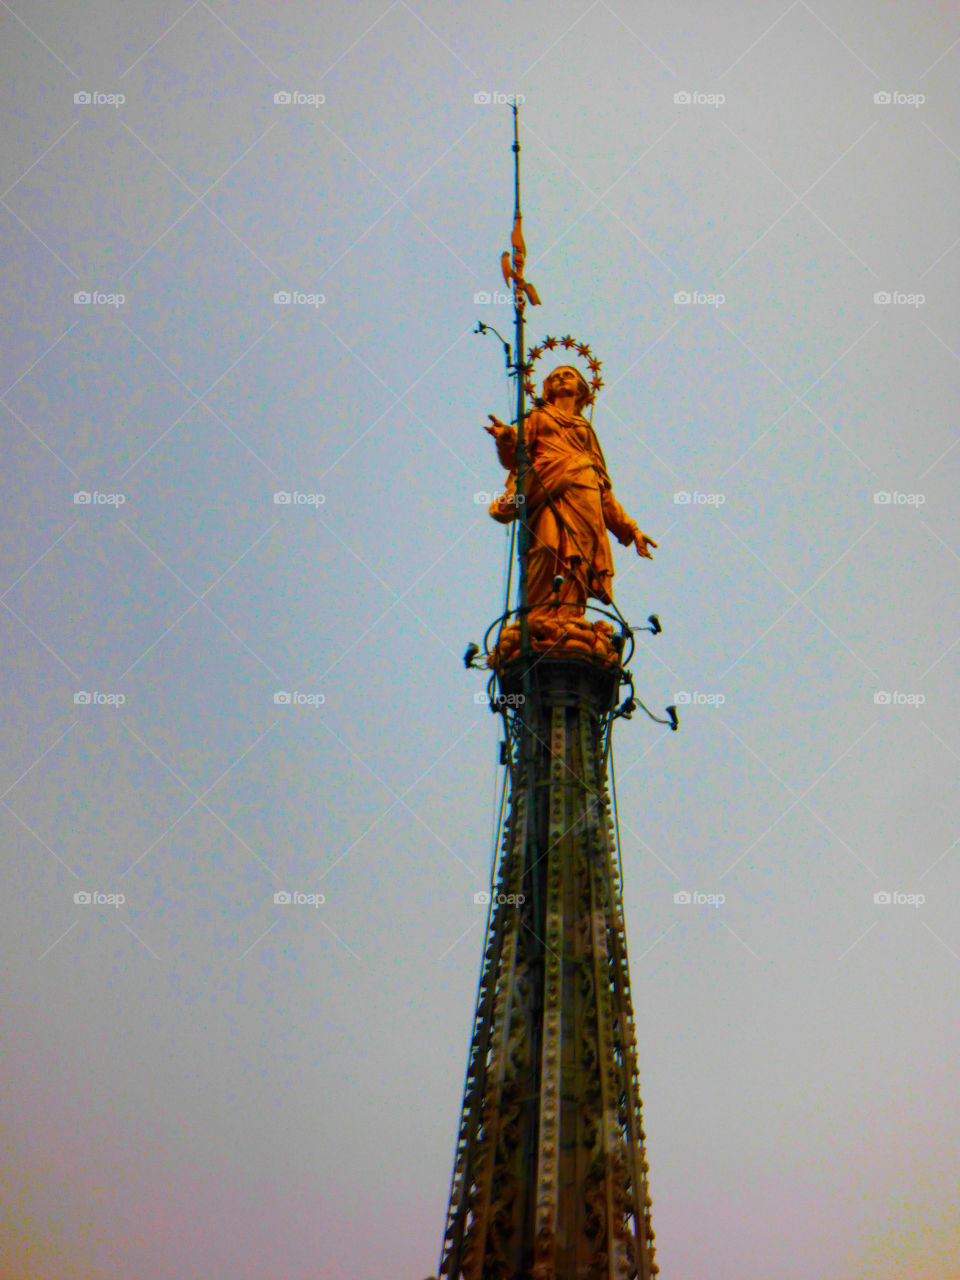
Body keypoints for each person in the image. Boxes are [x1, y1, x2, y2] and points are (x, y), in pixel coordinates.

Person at [484, 364, 656, 620]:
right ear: (548, 387)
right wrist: (506, 437)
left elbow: (603, 490)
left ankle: (569, 619)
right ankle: (538, 617)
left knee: (578, 561)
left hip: (585, 496)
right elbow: (516, 456)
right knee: (546, 546)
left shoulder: (585, 430)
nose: (562, 379)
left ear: (581, 388)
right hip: (546, 489)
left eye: (569, 375)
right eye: (555, 377)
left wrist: (631, 529)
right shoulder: (538, 416)